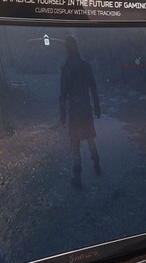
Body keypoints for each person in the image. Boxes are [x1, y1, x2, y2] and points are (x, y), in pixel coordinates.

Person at [59, 35, 101, 189]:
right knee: (90, 138)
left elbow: (63, 94)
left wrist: (63, 114)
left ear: (66, 49)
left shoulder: (66, 68)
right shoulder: (85, 66)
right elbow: (93, 88)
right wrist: (97, 107)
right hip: (85, 107)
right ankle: (97, 165)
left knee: (75, 142)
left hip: (75, 110)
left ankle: (78, 177)